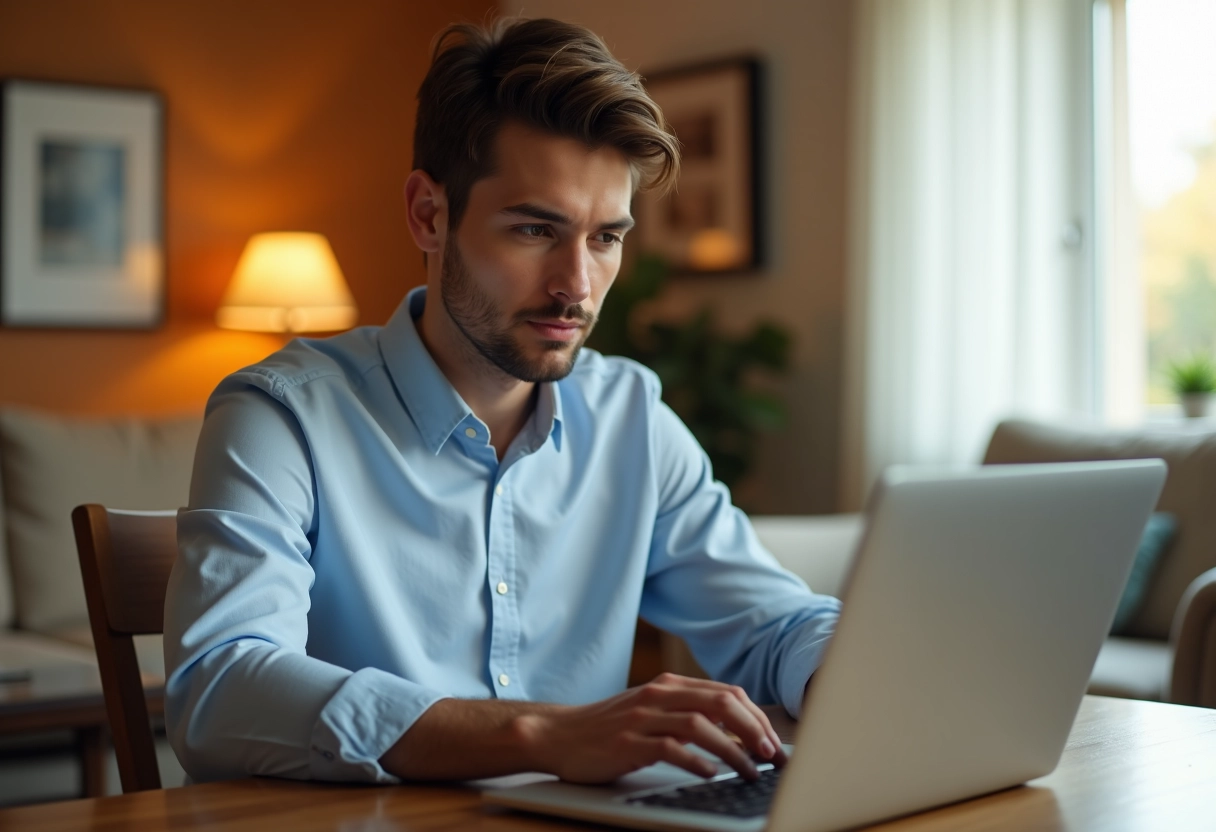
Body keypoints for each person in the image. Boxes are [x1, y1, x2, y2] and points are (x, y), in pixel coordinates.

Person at [164, 16, 841, 787]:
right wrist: (538, 734)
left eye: (605, 238)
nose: (576, 286)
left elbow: (776, 625)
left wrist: (855, 680)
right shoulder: (282, 417)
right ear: (429, 213)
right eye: (534, 229)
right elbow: (220, 690)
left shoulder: (632, 420)